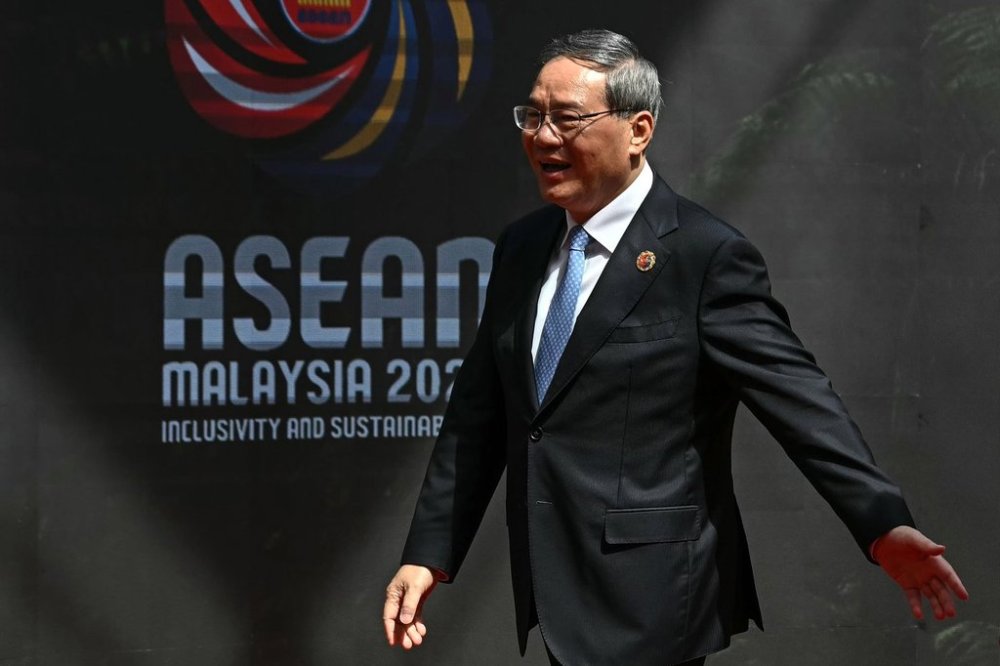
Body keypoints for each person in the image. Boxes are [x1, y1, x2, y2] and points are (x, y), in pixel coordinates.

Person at [382, 29, 967, 665]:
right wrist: (429, 553)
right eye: (534, 115)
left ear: (638, 130)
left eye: (568, 118)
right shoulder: (522, 249)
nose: (543, 136)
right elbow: (480, 411)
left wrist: (882, 525)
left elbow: (801, 402)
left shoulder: (703, 255)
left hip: (654, 601)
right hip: (553, 591)